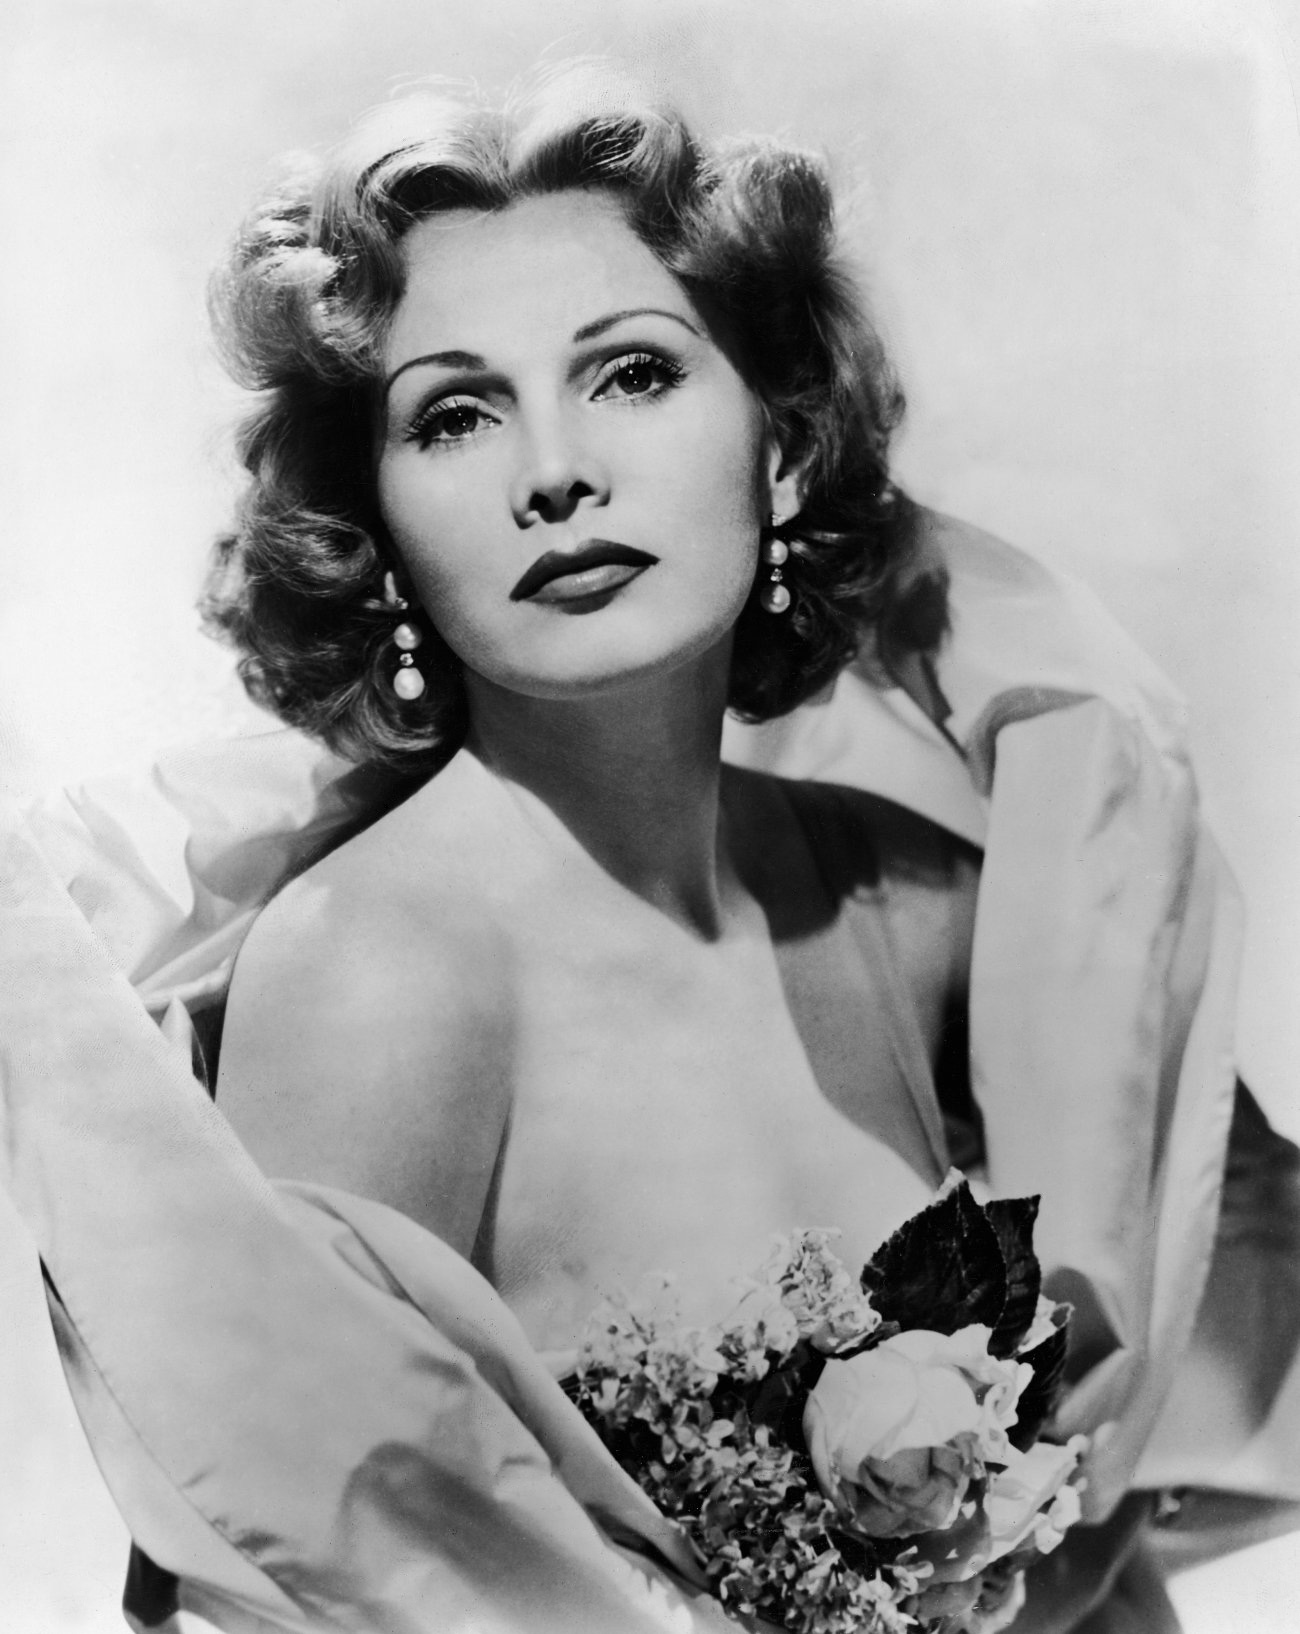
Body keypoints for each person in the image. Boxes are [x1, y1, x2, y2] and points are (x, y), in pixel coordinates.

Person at [2, 63, 1297, 1634]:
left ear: (781, 446)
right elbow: (325, 1568)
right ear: (380, 527)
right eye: (457, 413)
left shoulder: (912, 899)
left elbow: (1212, 1345)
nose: (555, 470)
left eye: (629, 373)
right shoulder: (380, 976)